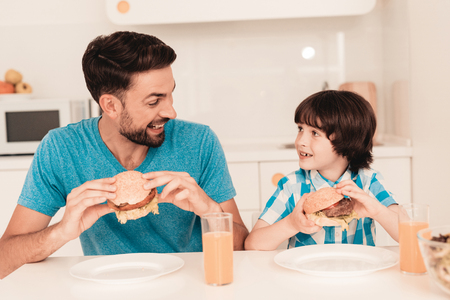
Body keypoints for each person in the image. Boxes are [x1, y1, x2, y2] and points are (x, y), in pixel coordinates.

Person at [0, 31, 248, 279]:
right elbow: (4, 260)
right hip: (106, 287)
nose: (171, 111)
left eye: (170, 93)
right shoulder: (62, 149)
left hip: (191, 284)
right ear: (111, 106)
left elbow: (245, 250)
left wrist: (208, 210)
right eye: (154, 102)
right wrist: (63, 231)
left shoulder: (199, 142)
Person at [245, 90, 399, 250]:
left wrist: (378, 211)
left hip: (359, 273)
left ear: (347, 140)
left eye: (315, 133)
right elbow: (252, 245)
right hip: (305, 274)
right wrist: (291, 223)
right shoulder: (292, 186)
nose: (300, 141)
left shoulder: (368, 182)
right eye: (300, 129)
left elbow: (408, 233)